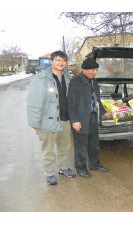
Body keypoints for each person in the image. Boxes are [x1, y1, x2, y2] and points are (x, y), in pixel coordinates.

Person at [27, 50, 76, 186]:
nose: (61, 63)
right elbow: (33, 103)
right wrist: (35, 124)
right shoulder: (41, 79)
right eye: (58, 60)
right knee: (48, 150)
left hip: (65, 120)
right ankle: (49, 173)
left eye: (64, 60)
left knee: (64, 147)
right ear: (52, 61)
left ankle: (63, 167)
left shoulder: (67, 77)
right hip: (47, 122)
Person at [67, 57, 108, 178]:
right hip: (80, 119)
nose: (95, 72)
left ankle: (95, 164)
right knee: (81, 145)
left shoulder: (93, 80)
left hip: (93, 116)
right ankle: (80, 168)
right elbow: (71, 103)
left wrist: (103, 111)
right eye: (92, 70)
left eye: (96, 70)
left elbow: (96, 98)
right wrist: (74, 120)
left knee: (94, 143)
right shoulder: (75, 82)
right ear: (84, 69)